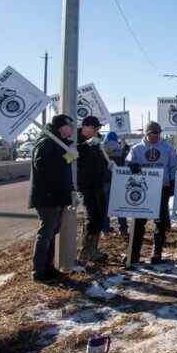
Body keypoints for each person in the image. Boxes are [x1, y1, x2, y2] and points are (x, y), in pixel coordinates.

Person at [29, 114, 75, 283]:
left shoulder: (58, 143)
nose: (71, 129)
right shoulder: (46, 142)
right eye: (69, 126)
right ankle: (39, 270)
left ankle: (48, 267)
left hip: (57, 196)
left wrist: (67, 153)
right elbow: (43, 166)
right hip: (47, 197)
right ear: (62, 127)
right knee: (46, 232)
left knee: (52, 232)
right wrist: (66, 156)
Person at [125, 121, 177, 265]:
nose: (155, 137)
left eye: (158, 134)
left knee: (160, 222)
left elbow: (173, 167)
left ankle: (157, 253)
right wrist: (131, 165)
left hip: (162, 189)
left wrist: (173, 182)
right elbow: (127, 163)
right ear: (147, 134)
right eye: (152, 134)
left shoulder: (167, 148)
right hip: (143, 190)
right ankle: (134, 253)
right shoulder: (136, 149)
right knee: (138, 222)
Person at [76, 116, 109, 264]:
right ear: (86, 127)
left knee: (100, 216)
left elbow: (101, 161)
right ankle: (85, 251)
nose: (97, 132)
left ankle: (93, 249)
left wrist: (108, 167)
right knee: (92, 216)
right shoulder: (75, 140)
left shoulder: (97, 142)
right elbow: (69, 157)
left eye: (98, 129)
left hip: (98, 184)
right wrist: (84, 146)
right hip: (84, 185)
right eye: (95, 129)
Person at [102, 131, 128, 236]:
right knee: (120, 207)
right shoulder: (121, 151)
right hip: (118, 182)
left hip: (104, 182)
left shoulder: (102, 150)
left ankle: (106, 229)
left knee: (105, 207)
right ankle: (123, 229)